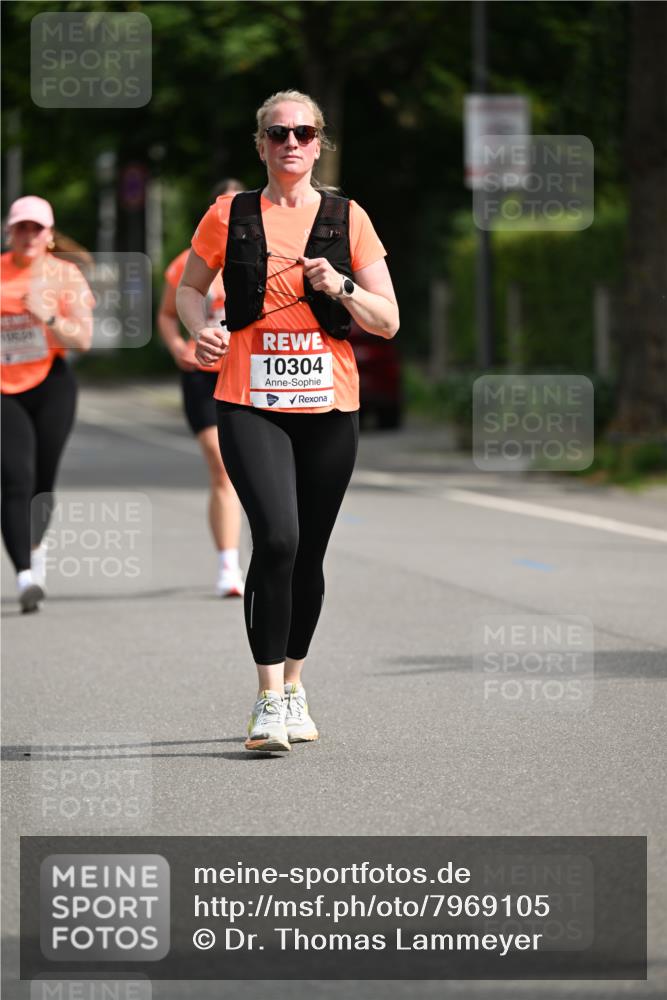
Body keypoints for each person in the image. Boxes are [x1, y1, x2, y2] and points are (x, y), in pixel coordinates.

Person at [177, 90, 399, 752]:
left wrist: (341, 287)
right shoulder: (229, 214)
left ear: (319, 142)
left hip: (329, 407)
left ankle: (296, 683)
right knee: (275, 539)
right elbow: (190, 290)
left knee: (308, 553)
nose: (291, 142)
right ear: (261, 144)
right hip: (248, 399)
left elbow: (387, 320)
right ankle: (267, 698)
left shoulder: (347, 218)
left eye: (303, 132)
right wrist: (201, 331)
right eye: (278, 133)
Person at [1, 195, 93, 612]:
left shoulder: (65, 275)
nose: (28, 235)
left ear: (49, 235)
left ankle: (35, 550)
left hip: (52, 384)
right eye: (21, 227)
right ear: (10, 231)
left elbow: (84, 341)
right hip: (4, 389)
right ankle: (24, 576)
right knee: (15, 478)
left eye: (36, 228)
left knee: (42, 481)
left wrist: (48, 317)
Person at [157, 179, 245, 597]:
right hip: (200, 371)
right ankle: (228, 563)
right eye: (219, 205)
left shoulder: (257, 256)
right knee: (220, 464)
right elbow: (166, 314)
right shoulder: (184, 263)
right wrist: (177, 344)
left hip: (246, 372)